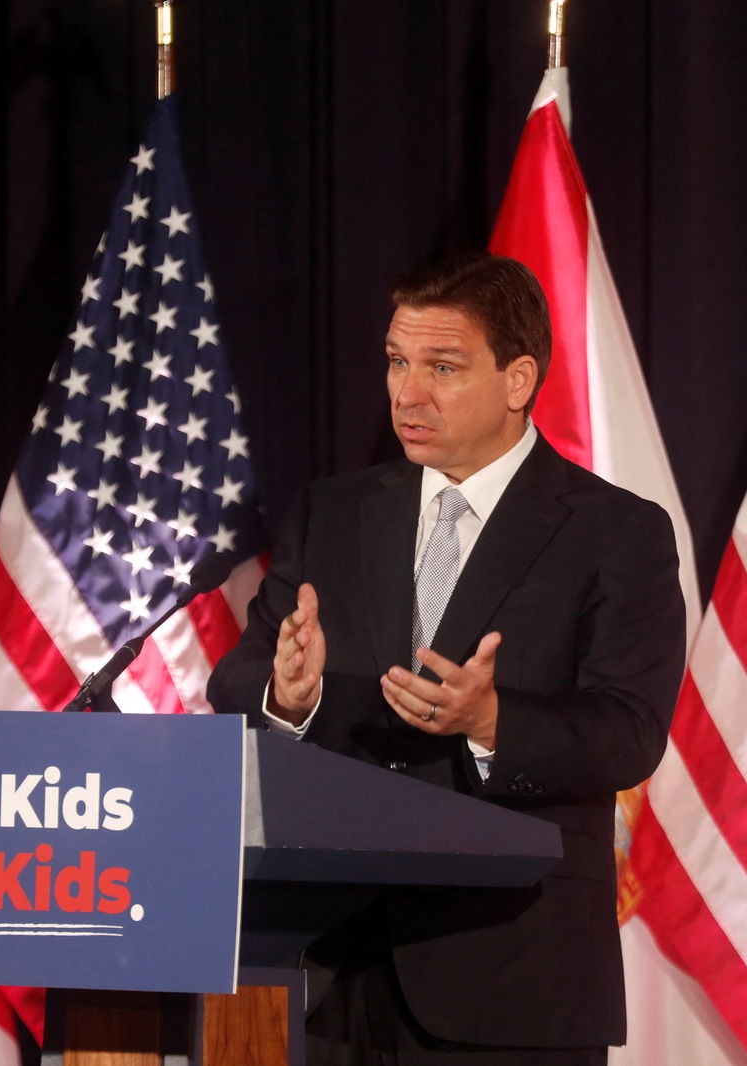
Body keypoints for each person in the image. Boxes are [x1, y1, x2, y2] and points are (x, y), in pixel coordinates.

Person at [207, 251, 686, 1064]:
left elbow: (628, 732)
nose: (406, 393)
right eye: (397, 362)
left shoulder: (615, 532)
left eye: (442, 366)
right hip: (326, 972)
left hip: (508, 978)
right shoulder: (334, 511)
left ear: (518, 379)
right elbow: (237, 679)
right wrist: (291, 695)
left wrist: (494, 721)